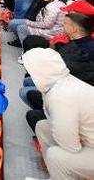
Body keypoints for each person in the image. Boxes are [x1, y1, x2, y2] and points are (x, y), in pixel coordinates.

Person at [22, 48, 94, 180]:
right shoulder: (60, 82)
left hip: (89, 146)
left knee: (56, 156)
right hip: (88, 142)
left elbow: (70, 146)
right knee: (42, 126)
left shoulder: (60, 96)